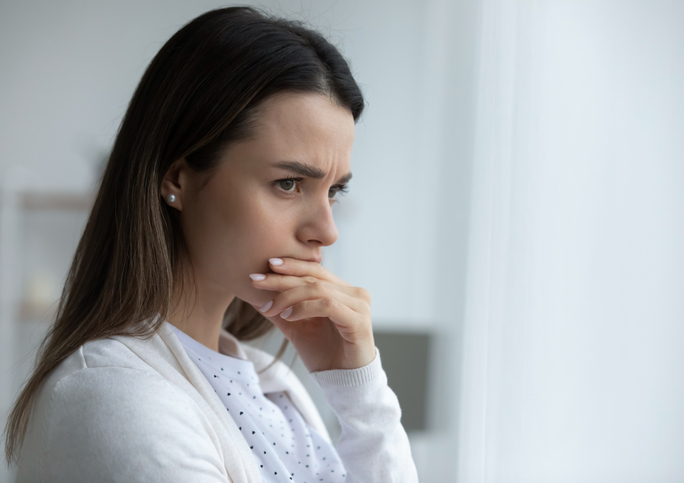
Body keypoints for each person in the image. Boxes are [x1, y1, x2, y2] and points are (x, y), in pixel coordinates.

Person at [4, 6, 419, 482]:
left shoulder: (272, 384)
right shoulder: (113, 394)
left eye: (334, 190)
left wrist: (360, 389)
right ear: (177, 176)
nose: (326, 230)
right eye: (288, 183)